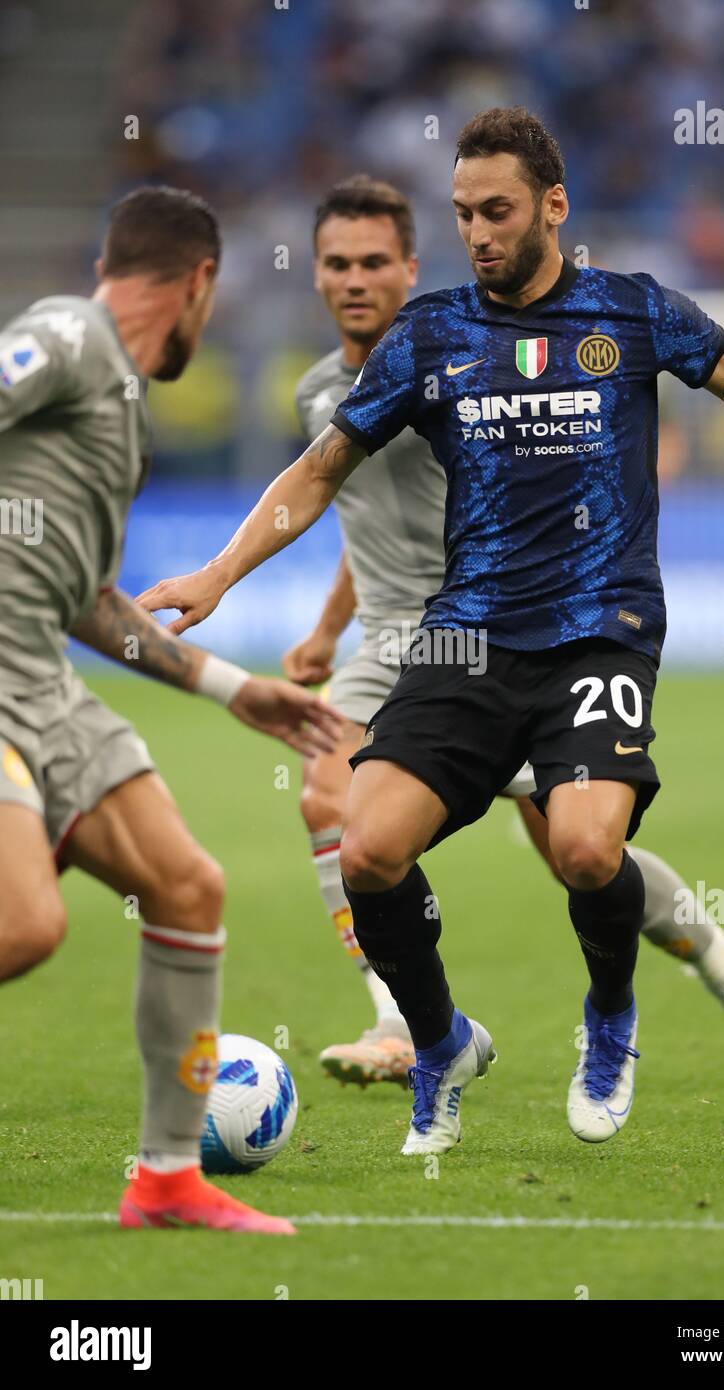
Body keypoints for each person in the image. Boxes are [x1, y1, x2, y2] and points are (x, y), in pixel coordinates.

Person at [138, 109, 724, 1155]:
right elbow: (325, 472)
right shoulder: (430, 338)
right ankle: (436, 1040)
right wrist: (220, 572)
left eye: (496, 211)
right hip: (462, 639)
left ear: (553, 207)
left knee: (584, 847)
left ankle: (609, 1016)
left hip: (599, 632)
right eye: (463, 212)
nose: (478, 232)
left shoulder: (631, 311)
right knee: (367, 847)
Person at [287, 174, 724, 1092]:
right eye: (334, 264)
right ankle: (402, 1020)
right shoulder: (320, 392)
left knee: (580, 854)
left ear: (411, 269)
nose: (353, 281)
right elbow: (363, 524)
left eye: (373, 263)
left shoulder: (461, 354)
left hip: (509, 632)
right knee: (330, 798)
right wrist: (329, 631)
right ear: (315, 277)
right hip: (398, 642)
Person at [0, 186, 342, 1233]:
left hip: (46, 684)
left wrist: (236, 688)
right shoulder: (64, 334)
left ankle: (165, 1181)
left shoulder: (120, 409)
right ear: (198, 281)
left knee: (187, 887)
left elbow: (91, 602)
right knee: (26, 924)